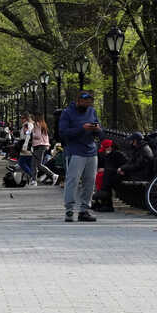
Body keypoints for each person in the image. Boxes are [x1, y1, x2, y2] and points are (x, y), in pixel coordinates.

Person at [58, 91, 101, 222]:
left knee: (89, 182)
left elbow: (100, 130)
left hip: (91, 151)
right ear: (78, 100)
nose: (87, 103)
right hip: (75, 151)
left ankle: (84, 210)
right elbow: (63, 132)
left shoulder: (92, 111)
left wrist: (97, 129)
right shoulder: (67, 113)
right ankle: (69, 210)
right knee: (73, 181)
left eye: (89, 101)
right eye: (85, 101)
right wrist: (82, 128)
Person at [92, 139, 126, 211]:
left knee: (105, 176)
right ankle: (102, 202)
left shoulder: (118, 154)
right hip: (112, 174)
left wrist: (106, 170)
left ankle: (107, 204)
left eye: (105, 148)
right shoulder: (108, 155)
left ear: (110, 147)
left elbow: (120, 168)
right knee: (102, 175)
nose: (104, 151)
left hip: (119, 174)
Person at [31, 113, 54, 185]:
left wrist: (31, 134)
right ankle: (34, 180)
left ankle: (53, 175)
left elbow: (37, 136)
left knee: (37, 164)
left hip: (39, 145)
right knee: (35, 164)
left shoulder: (37, 124)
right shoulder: (43, 124)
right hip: (42, 145)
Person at [17, 114, 36, 184]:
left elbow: (28, 135)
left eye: (22, 118)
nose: (21, 119)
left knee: (21, 162)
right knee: (29, 163)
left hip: (26, 145)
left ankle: (32, 177)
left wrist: (25, 146)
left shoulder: (27, 125)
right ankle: (32, 179)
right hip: (28, 145)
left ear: (26, 118)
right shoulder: (28, 125)